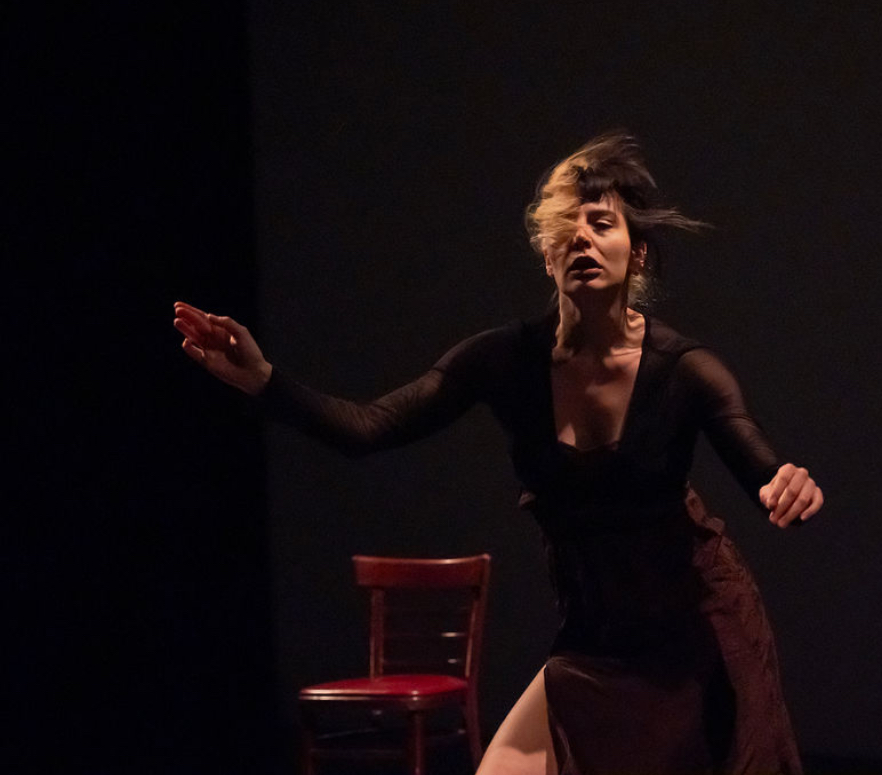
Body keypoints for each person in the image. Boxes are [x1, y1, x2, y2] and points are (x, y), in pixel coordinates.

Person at [174, 133, 823, 775]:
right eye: (565, 228)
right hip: (595, 640)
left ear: (639, 253)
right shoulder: (504, 361)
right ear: (546, 254)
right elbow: (369, 427)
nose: (582, 238)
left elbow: (757, 461)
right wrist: (263, 381)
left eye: (602, 224)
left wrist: (784, 483)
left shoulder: (684, 369)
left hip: (693, 632)